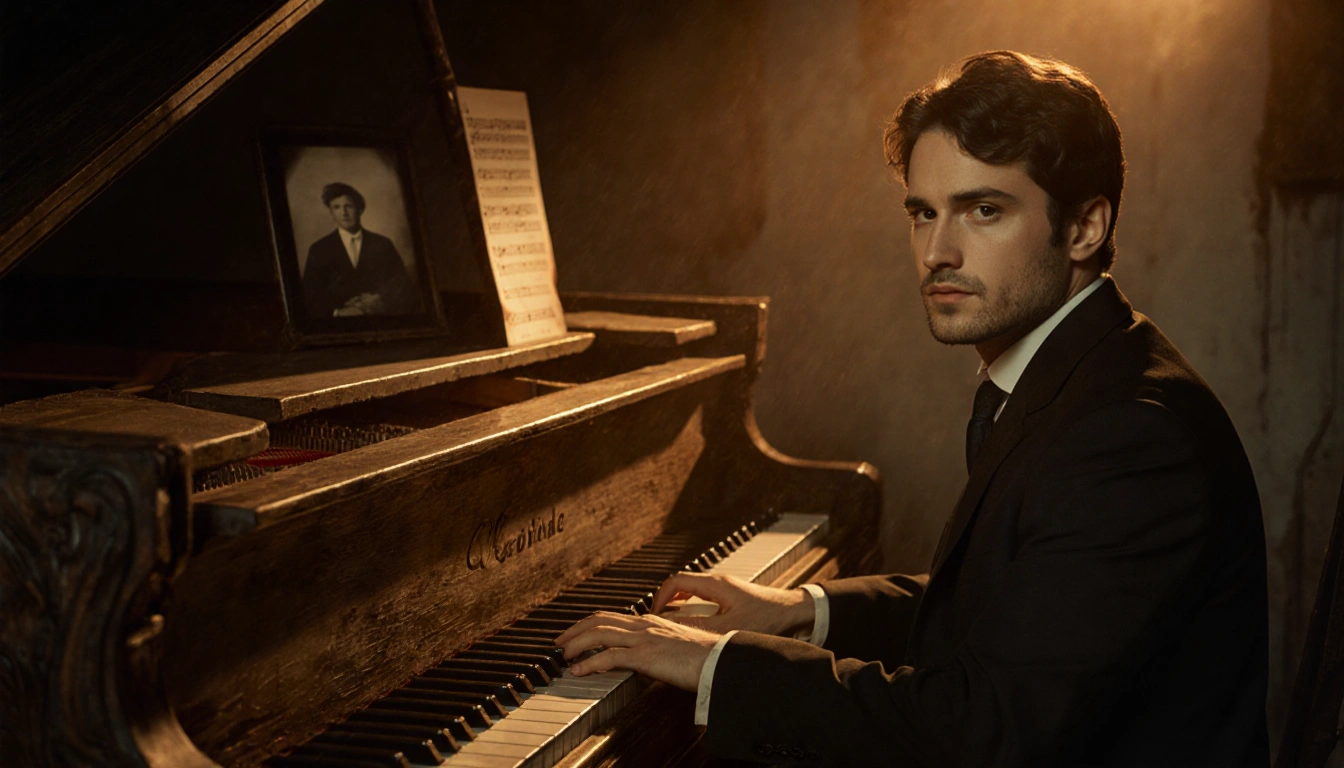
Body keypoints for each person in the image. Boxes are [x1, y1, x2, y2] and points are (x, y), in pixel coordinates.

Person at [555, 51, 1269, 766]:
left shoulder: (1131, 435)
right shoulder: (1085, 369)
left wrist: (719, 663)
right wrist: (805, 610)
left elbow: (980, 735)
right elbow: (1023, 600)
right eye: (923, 213)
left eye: (982, 210)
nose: (936, 251)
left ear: (1084, 227)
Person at [301, 182, 418, 319]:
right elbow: (309, 297)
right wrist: (337, 313)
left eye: (349, 206)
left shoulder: (382, 244)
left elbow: (402, 284)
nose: (344, 213)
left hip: (380, 322)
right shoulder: (319, 249)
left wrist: (378, 298)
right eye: (337, 207)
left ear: (360, 209)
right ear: (331, 213)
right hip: (335, 327)